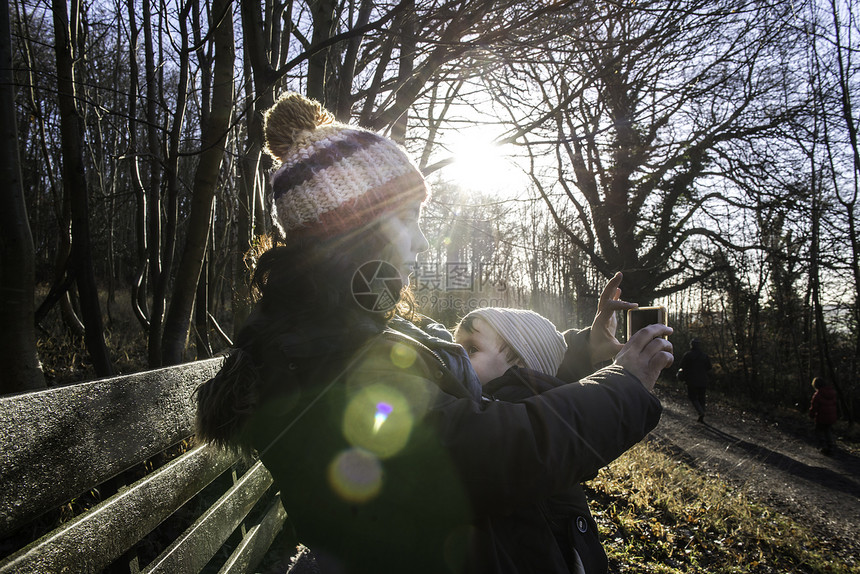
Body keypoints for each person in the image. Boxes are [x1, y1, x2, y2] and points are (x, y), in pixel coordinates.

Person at [195, 92, 673, 574]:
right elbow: (482, 453)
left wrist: (585, 351)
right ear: (354, 233)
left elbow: (469, 379)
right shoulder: (324, 353)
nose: (422, 241)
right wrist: (624, 386)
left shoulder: (346, 325)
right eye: (406, 219)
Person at [454, 307, 616, 573]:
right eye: (455, 346)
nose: (456, 355)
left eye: (471, 349)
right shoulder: (483, 414)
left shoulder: (518, 433)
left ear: (521, 364)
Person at [678, 339, 711, 423]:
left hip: (691, 380)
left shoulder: (688, 355)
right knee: (702, 398)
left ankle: (701, 412)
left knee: (692, 397)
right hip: (703, 380)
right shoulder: (704, 356)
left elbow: (682, 366)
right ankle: (701, 414)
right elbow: (709, 367)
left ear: (691, 345)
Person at [809, 377, 838, 455]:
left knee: (818, 431)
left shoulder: (818, 395)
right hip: (831, 416)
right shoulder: (832, 393)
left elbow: (814, 407)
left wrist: (811, 415)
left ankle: (823, 445)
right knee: (827, 430)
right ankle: (830, 445)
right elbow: (835, 405)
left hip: (822, 417)